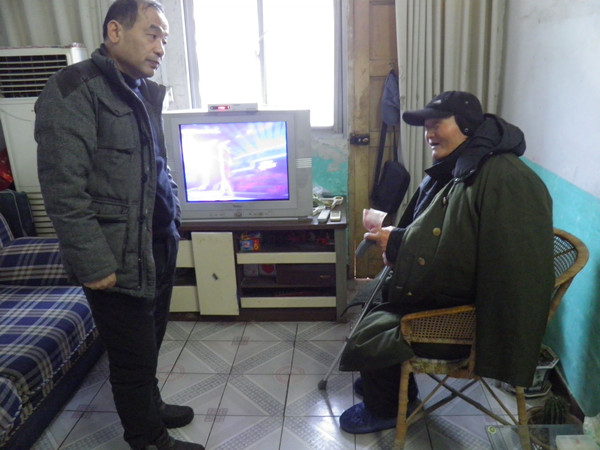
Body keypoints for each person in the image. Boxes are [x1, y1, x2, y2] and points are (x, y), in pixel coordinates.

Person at [34, 1, 203, 449]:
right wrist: (93, 263)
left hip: (156, 245)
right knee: (131, 356)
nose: (161, 47)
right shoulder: (73, 90)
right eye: (152, 33)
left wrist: (173, 216)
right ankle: (147, 438)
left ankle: (152, 406)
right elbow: (62, 190)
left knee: (150, 343)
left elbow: (157, 165)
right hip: (115, 256)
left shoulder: (141, 90)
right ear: (115, 32)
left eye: (165, 38)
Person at [338, 91, 555, 434]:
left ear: (467, 126)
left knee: (375, 330)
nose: (429, 133)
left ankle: (386, 409)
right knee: (374, 300)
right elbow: (450, 237)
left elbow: (513, 275)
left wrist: (397, 243)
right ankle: (389, 388)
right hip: (449, 294)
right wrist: (398, 239)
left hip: (463, 317)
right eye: (426, 126)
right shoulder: (465, 165)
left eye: (437, 124)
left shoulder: (508, 179)